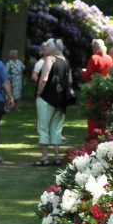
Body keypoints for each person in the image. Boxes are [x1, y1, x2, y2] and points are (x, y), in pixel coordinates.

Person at [35, 38, 71, 166]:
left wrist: (39, 93)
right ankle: (56, 157)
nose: (45, 49)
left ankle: (44, 157)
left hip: (46, 98)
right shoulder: (65, 61)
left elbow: (44, 78)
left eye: (47, 47)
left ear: (51, 48)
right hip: (61, 100)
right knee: (57, 129)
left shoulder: (50, 59)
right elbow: (70, 80)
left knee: (43, 127)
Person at [81, 39, 113, 139]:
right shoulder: (109, 58)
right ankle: (106, 136)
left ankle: (93, 138)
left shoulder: (94, 58)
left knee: (93, 115)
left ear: (94, 48)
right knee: (105, 114)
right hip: (107, 89)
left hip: (94, 90)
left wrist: (83, 72)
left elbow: (88, 75)